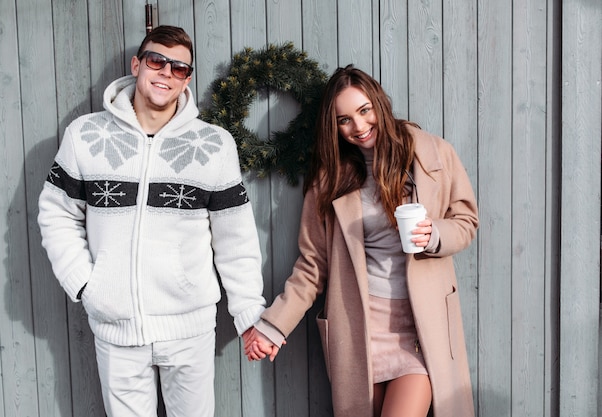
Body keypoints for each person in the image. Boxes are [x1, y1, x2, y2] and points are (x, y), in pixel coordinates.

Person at [38, 25, 266, 417]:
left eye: (178, 68)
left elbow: (236, 238)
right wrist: (87, 284)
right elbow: (56, 213)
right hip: (116, 330)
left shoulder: (213, 145)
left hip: (189, 330)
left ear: (187, 79)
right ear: (137, 64)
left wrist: (248, 315)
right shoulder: (86, 135)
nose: (166, 72)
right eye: (157, 61)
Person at [244, 65, 478, 417]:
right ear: (334, 127)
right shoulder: (329, 180)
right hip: (360, 328)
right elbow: (312, 266)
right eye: (345, 120)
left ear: (379, 103)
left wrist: (435, 234)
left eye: (364, 110)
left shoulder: (434, 155)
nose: (359, 126)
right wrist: (272, 327)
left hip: (420, 328)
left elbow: (466, 221)